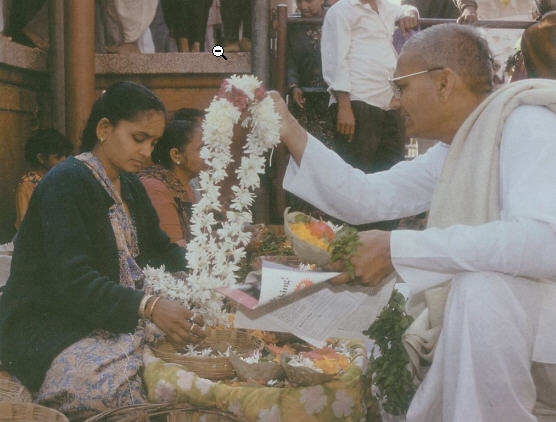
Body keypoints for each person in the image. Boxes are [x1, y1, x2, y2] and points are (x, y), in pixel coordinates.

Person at [273, 23, 556, 421]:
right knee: (390, 308)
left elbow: (545, 242)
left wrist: (397, 250)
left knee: (479, 290)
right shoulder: (462, 142)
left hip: (541, 333)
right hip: (526, 326)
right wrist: (287, 127)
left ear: (443, 83)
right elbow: (368, 196)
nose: (393, 101)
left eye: (401, 86)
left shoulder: (528, 123)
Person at [0, 81, 206, 419]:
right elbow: (73, 281)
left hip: (107, 318)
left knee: (188, 354)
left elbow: (158, 250)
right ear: (105, 129)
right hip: (48, 326)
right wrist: (150, 305)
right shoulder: (65, 182)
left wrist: (211, 271)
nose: (147, 152)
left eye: (153, 143)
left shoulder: (131, 185)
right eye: (139, 139)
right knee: (125, 392)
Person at [321, 0, 418, 175]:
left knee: (391, 175)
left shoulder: (387, 7)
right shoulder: (340, 11)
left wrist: (410, 12)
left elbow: (406, 9)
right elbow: (335, 61)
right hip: (357, 103)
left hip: (390, 105)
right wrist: (344, 107)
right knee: (357, 175)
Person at [139, 120, 204, 247]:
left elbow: (199, 237)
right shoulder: (155, 188)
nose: (209, 155)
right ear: (176, 155)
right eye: (201, 148)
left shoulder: (185, 185)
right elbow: (173, 249)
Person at [14, 129, 73, 231]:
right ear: (41, 158)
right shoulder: (27, 185)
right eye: (58, 157)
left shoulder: (62, 178)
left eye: (65, 155)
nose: (64, 160)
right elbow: (25, 226)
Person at [401, 0, 478, 23]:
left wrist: (468, 8)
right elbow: (407, 8)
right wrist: (408, 12)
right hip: (417, 37)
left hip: (449, 35)